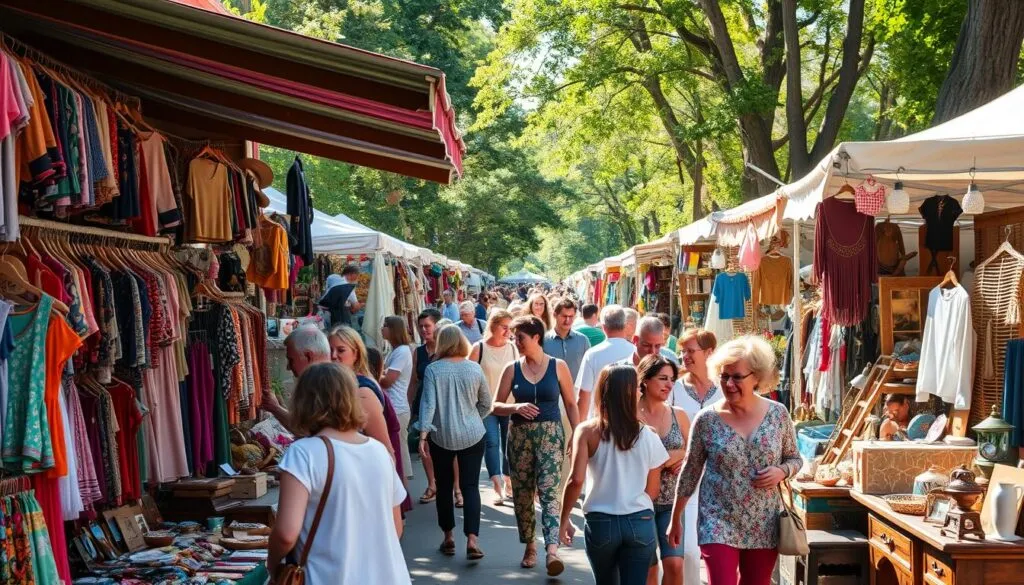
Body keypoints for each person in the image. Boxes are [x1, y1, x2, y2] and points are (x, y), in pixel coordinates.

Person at [667, 336, 802, 585]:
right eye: (724, 376)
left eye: (737, 377)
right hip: (717, 519)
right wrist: (675, 519)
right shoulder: (707, 419)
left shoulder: (777, 414)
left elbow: (794, 458)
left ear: (757, 377)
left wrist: (782, 471)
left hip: (763, 520)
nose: (729, 384)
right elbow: (690, 471)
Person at [268, 363, 409, 585]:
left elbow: (286, 533)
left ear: (304, 402)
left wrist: (272, 565)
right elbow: (396, 528)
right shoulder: (380, 452)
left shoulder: (303, 453)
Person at [559, 365, 669, 585]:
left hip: (601, 521)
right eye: (637, 388)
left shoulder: (587, 431)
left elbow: (576, 480)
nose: (640, 391)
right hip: (639, 520)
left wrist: (563, 519)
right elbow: (653, 490)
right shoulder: (649, 435)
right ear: (629, 394)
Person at [492, 316, 580, 576]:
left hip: (551, 435)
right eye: (514, 337)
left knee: (549, 491)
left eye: (520, 337)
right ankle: (530, 545)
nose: (516, 342)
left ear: (536, 337)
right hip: (519, 437)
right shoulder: (512, 369)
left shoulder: (557, 366)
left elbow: (571, 403)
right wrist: (515, 407)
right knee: (522, 493)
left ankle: (552, 550)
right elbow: (495, 405)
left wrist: (577, 433)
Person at [417, 325, 492, 560]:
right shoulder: (474, 368)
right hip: (473, 435)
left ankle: (448, 537)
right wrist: (473, 418)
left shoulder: (433, 370)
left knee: (444, 486)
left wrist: (423, 435)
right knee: (470, 486)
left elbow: (428, 404)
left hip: (442, 435)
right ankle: (472, 540)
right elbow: (487, 402)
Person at [327, 325, 409, 512]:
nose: (333, 356)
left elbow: (385, 450)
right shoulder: (344, 386)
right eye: (330, 350)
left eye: (341, 350)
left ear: (355, 353)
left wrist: (388, 503)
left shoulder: (362, 390)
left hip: (366, 484)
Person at [667, 328, 721, 585]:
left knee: (719, 552)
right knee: (687, 551)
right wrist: (677, 455)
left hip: (721, 482)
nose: (684, 356)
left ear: (709, 352)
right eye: (682, 351)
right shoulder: (674, 388)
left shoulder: (725, 387)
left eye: (691, 351)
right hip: (684, 480)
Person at [636, 355, 690, 585]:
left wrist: (683, 457)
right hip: (639, 503)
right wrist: (671, 456)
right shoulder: (629, 415)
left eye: (672, 379)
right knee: (649, 570)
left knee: (675, 564)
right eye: (662, 378)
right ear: (645, 380)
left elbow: (694, 453)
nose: (669, 384)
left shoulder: (679, 414)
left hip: (672, 503)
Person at [468, 309, 518, 505]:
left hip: (509, 404)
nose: (508, 332)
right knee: (491, 443)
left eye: (510, 328)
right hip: (487, 406)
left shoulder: (513, 348)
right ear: (493, 326)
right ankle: (497, 486)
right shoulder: (479, 348)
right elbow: (469, 378)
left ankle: (508, 480)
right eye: (504, 327)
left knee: (509, 444)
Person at [262, 326, 331, 432]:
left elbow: (307, 431)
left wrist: (275, 408)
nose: (288, 367)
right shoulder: (325, 380)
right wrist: (277, 407)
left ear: (308, 356)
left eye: (291, 360)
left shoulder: (327, 386)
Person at [576, 305, 637, 420]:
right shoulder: (635, 352)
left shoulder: (592, 354)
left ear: (603, 327)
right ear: (625, 325)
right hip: (629, 420)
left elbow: (584, 394)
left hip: (598, 421)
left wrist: (579, 425)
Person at [379, 316, 416, 483]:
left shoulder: (401, 351)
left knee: (400, 453)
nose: (382, 329)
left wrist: (373, 375)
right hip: (394, 406)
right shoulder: (395, 351)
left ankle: (405, 490)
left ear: (393, 329)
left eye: (385, 326)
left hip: (397, 408)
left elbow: (388, 380)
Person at [410, 309, 441, 503]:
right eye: (420, 326)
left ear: (437, 326)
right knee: (425, 445)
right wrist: (409, 404)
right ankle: (432, 484)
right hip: (423, 402)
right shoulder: (419, 352)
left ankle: (457, 487)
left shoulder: (445, 350)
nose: (423, 330)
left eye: (427, 326)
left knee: (450, 445)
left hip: (443, 403)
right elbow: (414, 381)